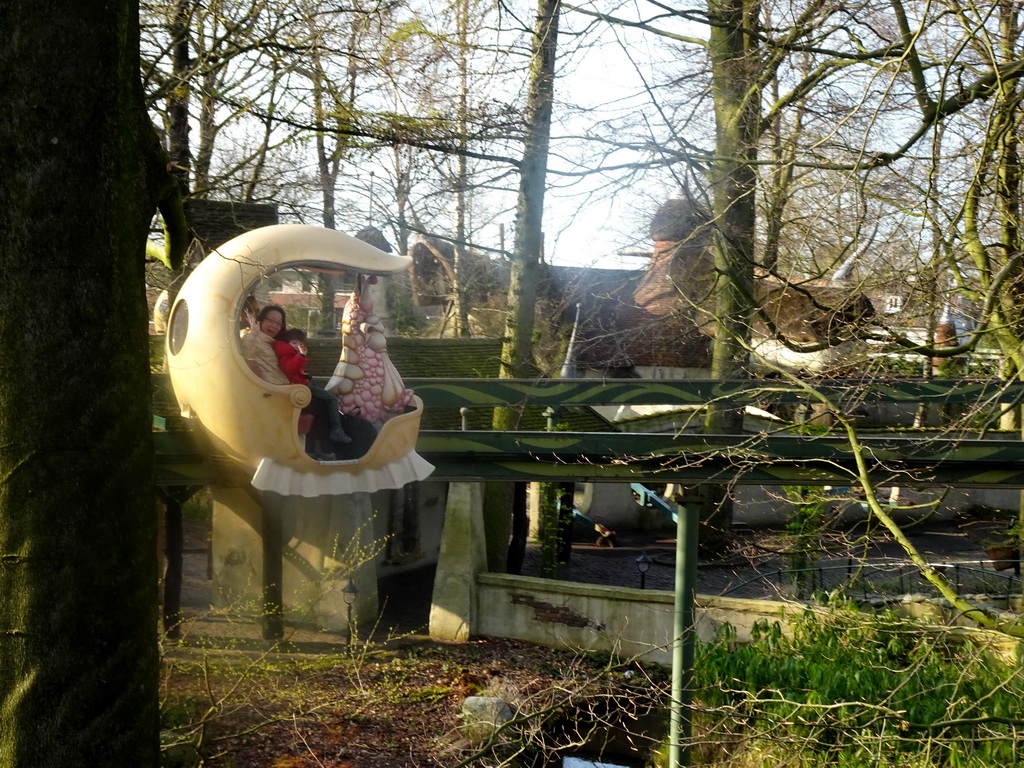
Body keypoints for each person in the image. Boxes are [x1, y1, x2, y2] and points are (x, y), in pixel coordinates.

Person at [274, 328, 351, 445]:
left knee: (328, 399)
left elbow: (297, 370)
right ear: (287, 343)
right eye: (294, 343)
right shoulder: (286, 355)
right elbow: (290, 369)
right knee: (331, 399)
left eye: (300, 344)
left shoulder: (290, 354)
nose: (297, 346)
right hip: (300, 389)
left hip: (303, 385)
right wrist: (301, 356)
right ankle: (336, 429)